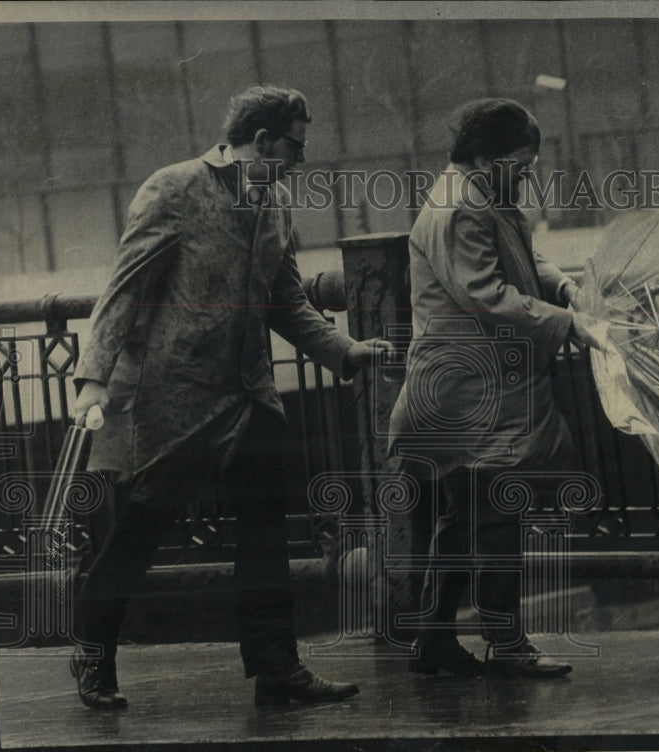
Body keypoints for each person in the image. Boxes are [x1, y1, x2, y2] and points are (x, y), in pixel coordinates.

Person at [70, 85, 393, 709]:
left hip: (250, 398)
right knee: (138, 532)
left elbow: (286, 303)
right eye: (293, 146)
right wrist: (93, 378)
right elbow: (123, 290)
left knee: (266, 537)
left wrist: (341, 350)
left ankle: (277, 668)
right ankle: (92, 655)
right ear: (262, 140)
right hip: (172, 402)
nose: (300, 160)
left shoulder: (274, 208)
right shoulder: (174, 188)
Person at [388, 98, 601, 679]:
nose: (528, 175)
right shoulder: (463, 209)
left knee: (464, 521)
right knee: (498, 517)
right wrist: (565, 323)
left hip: (468, 392)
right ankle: (507, 645)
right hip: (473, 395)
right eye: (521, 163)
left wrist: (562, 287)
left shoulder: (480, 196)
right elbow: (486, 292)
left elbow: (522, 263)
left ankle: (433, 640)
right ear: (485, 158)